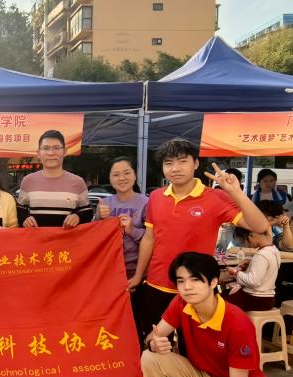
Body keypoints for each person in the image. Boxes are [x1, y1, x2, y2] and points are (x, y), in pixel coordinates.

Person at [130, 138, 270, 342]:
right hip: (157, 285)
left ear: (195, 163)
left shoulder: (215, 197)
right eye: (168, 163)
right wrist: (138, 276)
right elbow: (149, 239)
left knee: (194, 348)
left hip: (196, 288)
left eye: (182, 161)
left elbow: (260, 226)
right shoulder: (156, 197)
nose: (175, 168)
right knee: (153, 343)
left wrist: (236, 193)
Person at [134, 252, 267, 377]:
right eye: (181, 281)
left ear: (213, 282)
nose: (187, 287)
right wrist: (153, 344)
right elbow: (153, 336)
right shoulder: (182, 303)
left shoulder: (237, 323)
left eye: (195, 279)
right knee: (150, 357)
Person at [94, 157, 148, 324]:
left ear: (135, 175)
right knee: (112, 324)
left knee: (135, 323)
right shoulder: (105, 203)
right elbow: (93, 238)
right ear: (110, 178)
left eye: (126, 173)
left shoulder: (146, 202)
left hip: (137, 276)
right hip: (109, 276)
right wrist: (98, 218)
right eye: (116, 174)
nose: (121, 178)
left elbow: (153, 239)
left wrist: (132, 230)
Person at [18, 130, 92, 228]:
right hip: (36, 237)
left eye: (56, 148)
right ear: (38, 153)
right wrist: (25, 219)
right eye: (46, 148)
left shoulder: (78, 182)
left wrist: (78, 217)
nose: (51, 153)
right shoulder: (27, 181)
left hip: (68, 237)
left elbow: (87, 212)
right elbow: (20, 211)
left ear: (65, 151)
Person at [223, 227, 281, 312]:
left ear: (251, 235)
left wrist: (235, 272)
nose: (246, 245)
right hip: (267, 298)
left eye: (244, 241)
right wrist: (250, 266)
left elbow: (253, 281)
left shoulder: (262, 254)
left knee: (219, 304)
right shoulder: (274, 250)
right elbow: (265, 271)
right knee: (223, 294)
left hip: (256, 299)